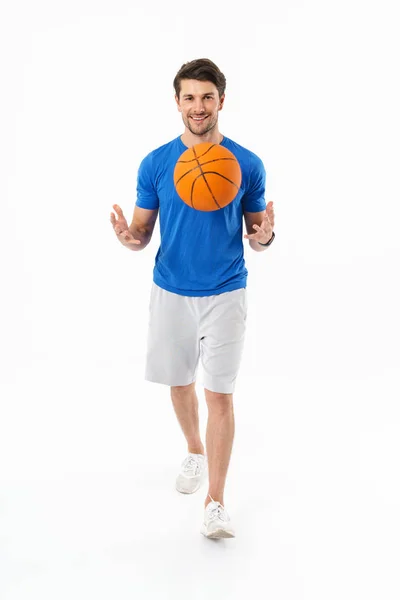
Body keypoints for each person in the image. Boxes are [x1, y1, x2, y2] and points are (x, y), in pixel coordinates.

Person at [110, 58, 275, 539]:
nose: (198, 106)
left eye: (207, 96)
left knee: (219, 394)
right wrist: (128, 238)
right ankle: (194, 450)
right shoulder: (156, 162)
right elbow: (142, 233)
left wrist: (265, 237)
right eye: (189, 97)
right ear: (177, 102)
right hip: (170, 291)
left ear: (222, 100)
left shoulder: (246, 163)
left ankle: (216, 502)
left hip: (226, 292)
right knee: (179, 382)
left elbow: (256, 234)